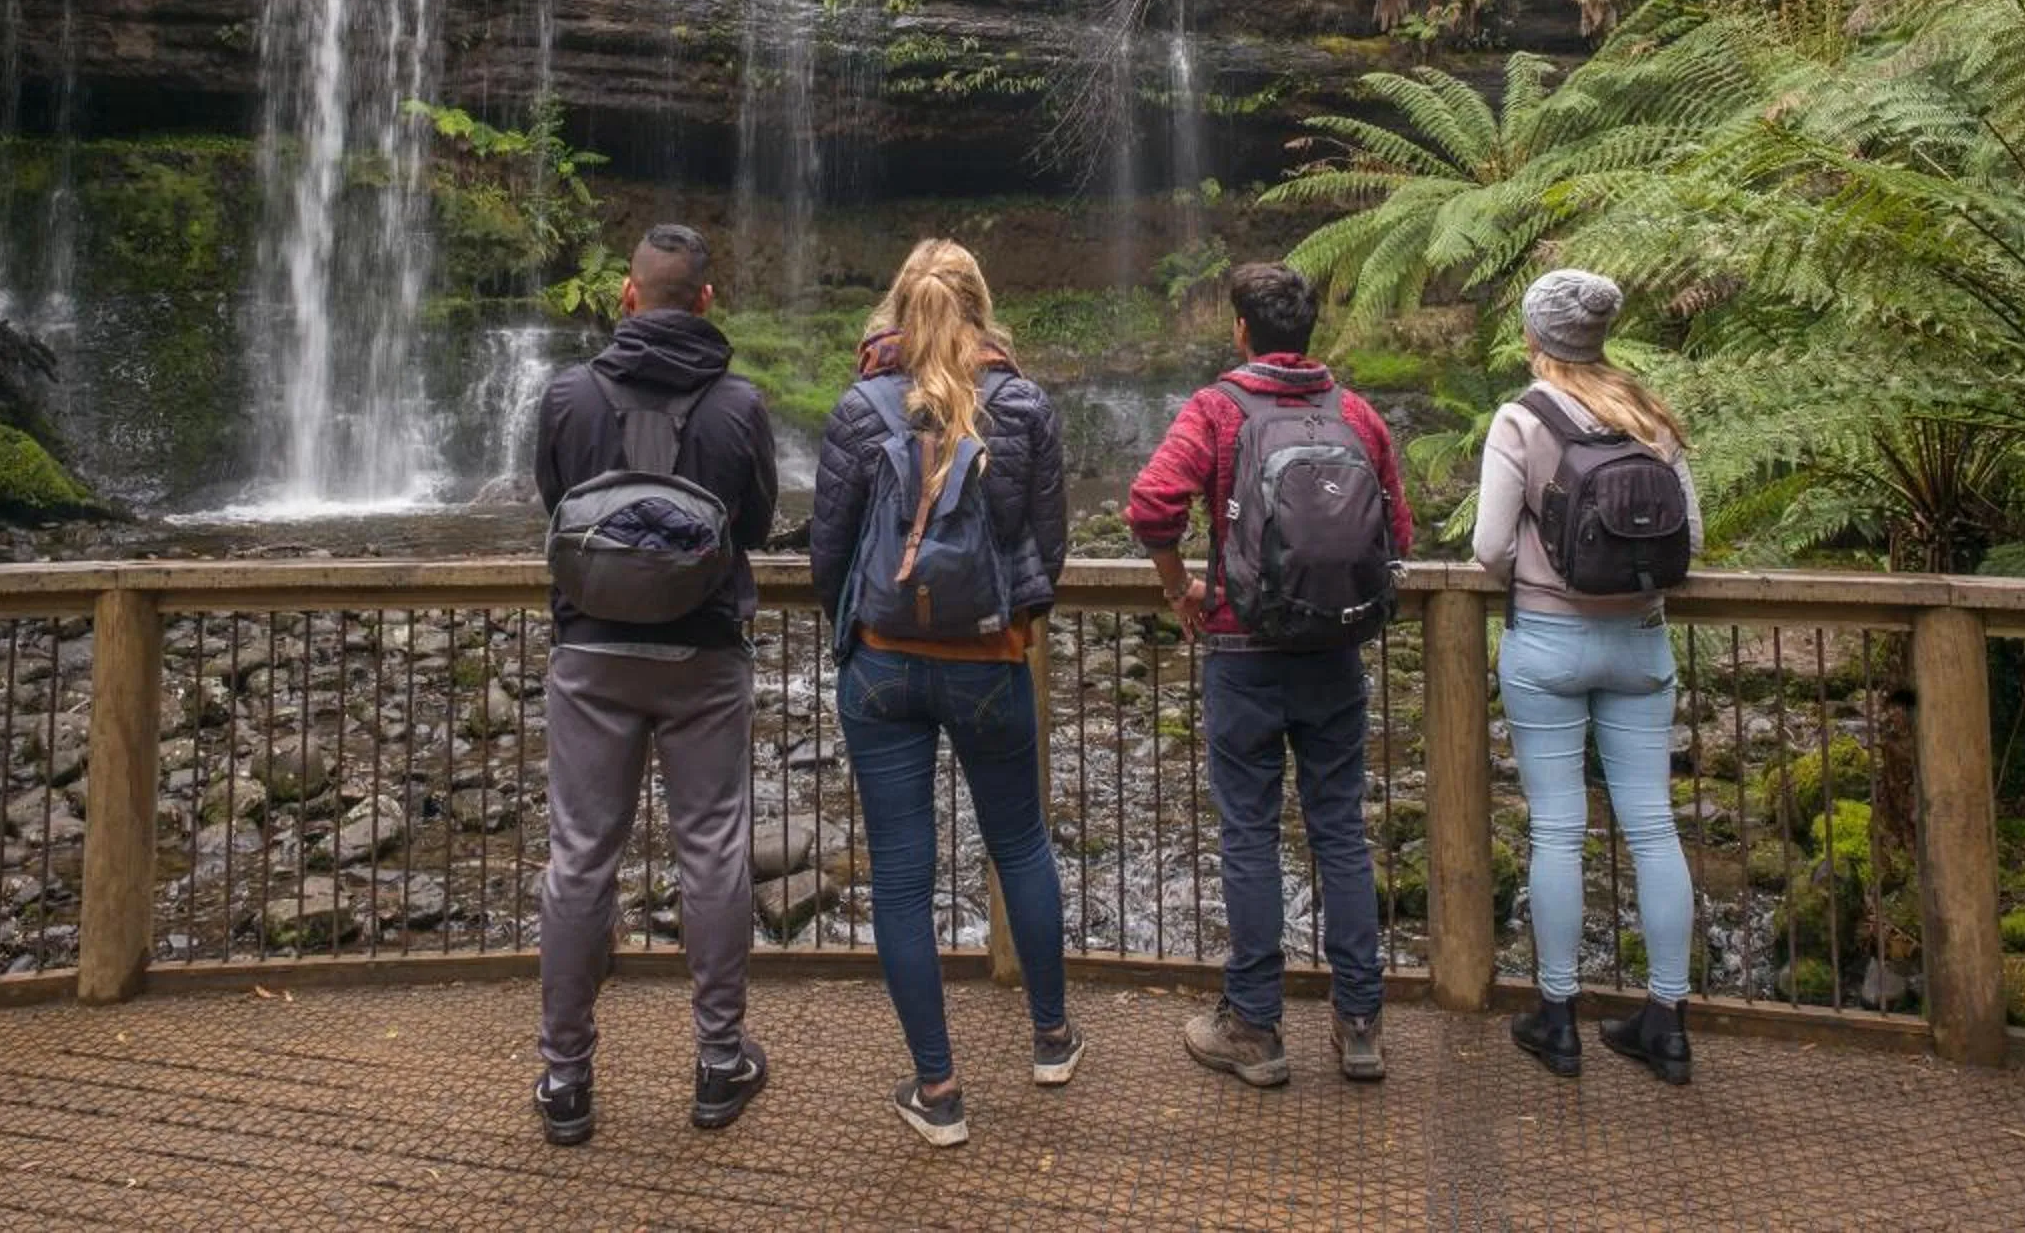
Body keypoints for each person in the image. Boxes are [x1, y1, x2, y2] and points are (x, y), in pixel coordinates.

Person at [810, 239, 1076, 1148]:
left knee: (901, 875)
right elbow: (1049, 545)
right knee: (1021, 844)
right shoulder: (1025, 405)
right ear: (980, 305)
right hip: (989, 661)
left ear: (897, 308)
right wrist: (1009, 623)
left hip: (882, 667)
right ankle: (1050, 1039)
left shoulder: (859, 408)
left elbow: (827, 550)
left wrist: (866, 622)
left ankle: (939, 1090)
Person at [1127, 260, 1412, 1089]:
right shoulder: (1356, 412)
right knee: (1340, 832)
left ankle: (1254, 1026)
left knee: (1250, 834)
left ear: (1242, 330)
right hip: (1333, 655)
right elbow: (1398, 528)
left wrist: (1179, 585)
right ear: (1311, 328)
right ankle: (1360, 1024)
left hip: (1241, 652)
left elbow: (1151, 504)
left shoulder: (1218, 409)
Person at [529, 224, 780, 1146]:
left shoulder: (567, 394)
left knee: (580, 856)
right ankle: (719, 1062)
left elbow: (551, 506)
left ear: (627, 296)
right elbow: (752, 521)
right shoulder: (738, 405)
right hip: (705, 655)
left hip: (591, 655)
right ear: (707, 301)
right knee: (712, 848)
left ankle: (565, 1078)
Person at [1477, 268, 1703, 1085]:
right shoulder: (1649, 416)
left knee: (1557, 831)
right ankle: (1668, 1023)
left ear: (1538, 339)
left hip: (1546, 642)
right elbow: (1693, 539)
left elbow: (1487, 548)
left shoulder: (1521, 418)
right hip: (1640, 643)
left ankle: (1559, 1018)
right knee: (1652, 828)